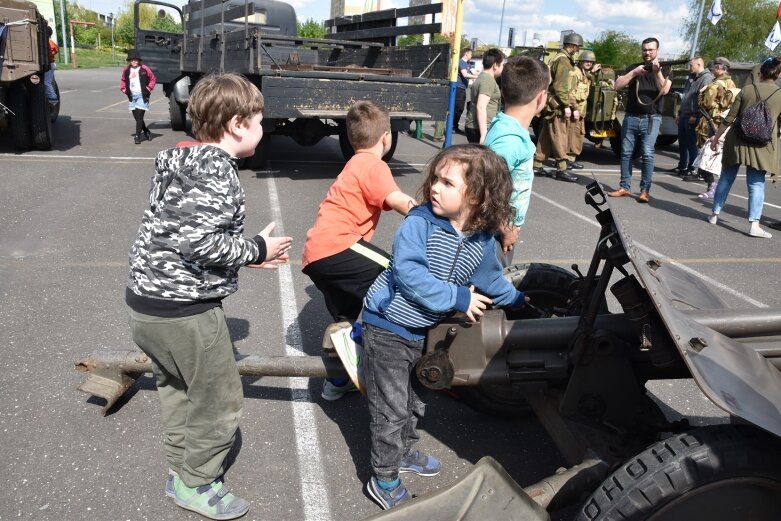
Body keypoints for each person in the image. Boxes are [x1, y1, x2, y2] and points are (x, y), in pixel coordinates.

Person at [126, 73, 293, 520]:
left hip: (146, 304)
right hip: (185, 311)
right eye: (260, 121)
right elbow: (197, 243)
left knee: (178, 390)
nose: (264, 129)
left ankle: (182, 470)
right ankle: (197, 484)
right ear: (238, 124)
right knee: (219, 400)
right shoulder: (218, 171)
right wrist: (255, 249)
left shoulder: (181, 161)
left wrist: (242, 253)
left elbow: (180, 232)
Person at [360, 144, 527, 510]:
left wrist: (519, 302)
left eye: (447, 183)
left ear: (477, 196)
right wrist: (458, 297)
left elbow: (491, 278)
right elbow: (410, 275)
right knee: (391, 407)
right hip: (387, 325)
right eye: (435, 178)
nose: (435, 187)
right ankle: (383, 478)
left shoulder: (481, 239)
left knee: (415, 399)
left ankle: (403, 451)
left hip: (423, 331)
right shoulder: (420, 223)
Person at [301, 100, 416, 401]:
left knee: (351, 314)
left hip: (317, 256)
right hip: (339, 246)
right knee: (397, 274)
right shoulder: (373, 165)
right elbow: (396, 199)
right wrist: (431, 216)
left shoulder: (353, 163)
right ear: (386, 137)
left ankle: (338, 381)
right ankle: (392, 356)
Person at [484, 56, 550, 265]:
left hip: (498, 230)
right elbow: (486, 187)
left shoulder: (510, 130)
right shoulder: (509, 141)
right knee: (493, 290)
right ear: (541, 98)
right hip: (493, 235)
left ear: (502, 91)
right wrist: (505, 227)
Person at [707, 57, 781, 239]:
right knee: (756, 184)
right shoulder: (780, 94)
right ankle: (754, 225)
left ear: (759, 74)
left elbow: (729, 118)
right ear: (778, 75)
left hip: (737, 140)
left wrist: (716, 138)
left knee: (726, 178)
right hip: (763, 144)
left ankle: (715, 214)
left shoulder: (746, 90)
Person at [608, 37, 672, 203]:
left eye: (651, 49)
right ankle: (624, 187)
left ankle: (645, 190)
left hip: (651, 118)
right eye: (645, 49)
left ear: (657, 50)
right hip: (631, 117)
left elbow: (664, 90)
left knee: (647, 153)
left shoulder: (665, 69)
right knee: (626, 152)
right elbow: (617, 85)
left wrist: (657, 72)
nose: (647, 53)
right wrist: (634, 73)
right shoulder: (634, 67)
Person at [532, 32, 583, 183]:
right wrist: (567, 105)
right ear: (571, 46)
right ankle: (562, 168)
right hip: (557, 105)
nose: (577, 50)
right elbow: (561, 87)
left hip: (552, 102)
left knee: (546, 136)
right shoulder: (563, 62)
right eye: (577, 47)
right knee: (560, 136)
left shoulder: (557, 58)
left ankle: (536, 164)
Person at [693, 57, 738, 198]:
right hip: (722, 124)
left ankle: (712, 186)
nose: (712, 69)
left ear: (719, 68)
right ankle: (713, 186)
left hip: (710, 122)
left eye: (714, 67)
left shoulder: (715, 84)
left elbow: (706, 102)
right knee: (714, 156)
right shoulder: (731, 82)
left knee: (707, 156)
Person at [672, 56, 713, 179]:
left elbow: (703, 99)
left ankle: (692, 168)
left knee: (692, 144)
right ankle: (682, 166)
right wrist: (679, 113)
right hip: (685, 114)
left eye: (691, 65)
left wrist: (696, 115)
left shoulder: (707, 78)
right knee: (683, 142)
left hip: (694, 116)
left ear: (699, 65)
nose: (689, 68)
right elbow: (685, 97)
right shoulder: (690, 78)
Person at [567, 50, 601, 170]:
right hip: (573, 111)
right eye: (586, 61)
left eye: (591, 62)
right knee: (569, 136)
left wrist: (592, 73)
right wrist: (574, 108)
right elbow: (570, 93)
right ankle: (565, 160)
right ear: (580, 61)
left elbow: (588, 84)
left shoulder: (585, 74)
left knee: (577, 136)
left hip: (580, 112)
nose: (588, 63)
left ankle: (571, 159)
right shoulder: (575, 73)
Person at [464, 48, 504, 144]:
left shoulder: (482, 77)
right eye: (502, 64)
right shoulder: (487, 80)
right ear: (495, 65)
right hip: (480, 128)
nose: (503, 67)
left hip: (476, 126)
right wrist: (484, 134)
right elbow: (481, 106)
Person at [120, 50, 156, 144]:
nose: (134, 61)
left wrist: (148, 88)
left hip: (142, 95)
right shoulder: (127, 70)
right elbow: (123, 80)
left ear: (139, 60)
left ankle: (137, 136)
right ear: (129, 60)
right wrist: (123, 89)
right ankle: (147, 132)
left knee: (140, 117)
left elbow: (153, 79)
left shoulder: (144, 69)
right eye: (132, 60)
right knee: (137, 118)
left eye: (135, 60)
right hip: (132, 96)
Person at [454, 47, 479, 133]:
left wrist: (483, 74)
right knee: (458, 108)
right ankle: (453, 127)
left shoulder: (468, 63)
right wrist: (477, 77)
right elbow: (465, 75)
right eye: (470, 54)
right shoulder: (461, 62)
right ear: (466, 54)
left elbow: (474, 72)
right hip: (458, 88)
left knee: (460, 109)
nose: (471, 55)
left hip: (463, 88)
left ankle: (454, 126)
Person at [44, 26, 58, 104]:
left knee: (47, 82)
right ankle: (51, 96)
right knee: (47, 81)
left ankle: (53, 97)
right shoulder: (50, 41)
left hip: (51, 63)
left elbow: (54, 50)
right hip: (52, 63)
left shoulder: (49, 42)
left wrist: (50, 54)